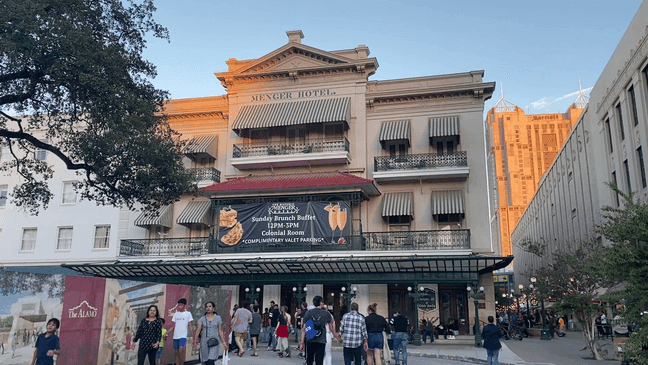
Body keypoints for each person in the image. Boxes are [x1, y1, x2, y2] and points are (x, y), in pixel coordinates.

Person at [299, 295, 342, 365]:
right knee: (319, 361)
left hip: (310, 339)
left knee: (309, 360)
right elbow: (331, 327)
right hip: (321, 340)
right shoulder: (326, 314)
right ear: (320, 303)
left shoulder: (308, 313)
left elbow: (303, 329)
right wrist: (336, 336)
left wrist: (301, 342)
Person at [170, 298, 194, 365]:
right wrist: (166, 332)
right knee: (176, 352)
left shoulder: (188, 314)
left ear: (184, 305)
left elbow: (190, 326)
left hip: (183, 336)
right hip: (175, 336)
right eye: (179, 305)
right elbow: (173, 326)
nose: (180, 306)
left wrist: (193, 336)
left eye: (181, 305)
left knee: (181, 350)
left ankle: (181, 363)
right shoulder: (176, 314)